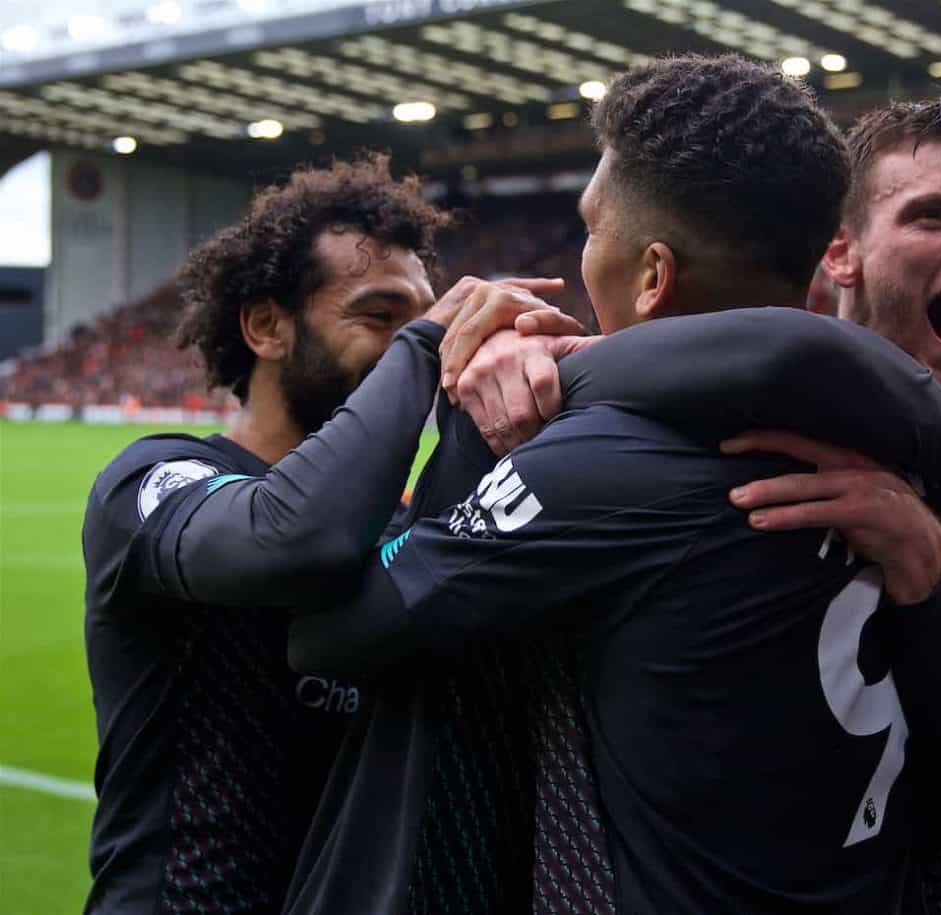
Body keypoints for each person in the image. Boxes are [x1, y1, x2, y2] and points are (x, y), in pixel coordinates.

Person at [284, 58, 941, 914]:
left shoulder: (600, 467)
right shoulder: (884, 431)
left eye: (592, 230)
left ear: (653, 274)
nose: (584, 253)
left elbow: (329, 634)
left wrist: (470, 431)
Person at [520, 97, 941, 914]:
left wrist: (923, 562)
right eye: (933, 214)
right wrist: (509, 355)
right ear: (839, 252)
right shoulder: (719, 400)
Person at [80, 153, 581, 914]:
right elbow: (290, 540)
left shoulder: (404, 520)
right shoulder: (150, 480)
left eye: (422, 317)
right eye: (379, 316)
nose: (414, 340)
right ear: (265, 326)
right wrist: (420, 349)